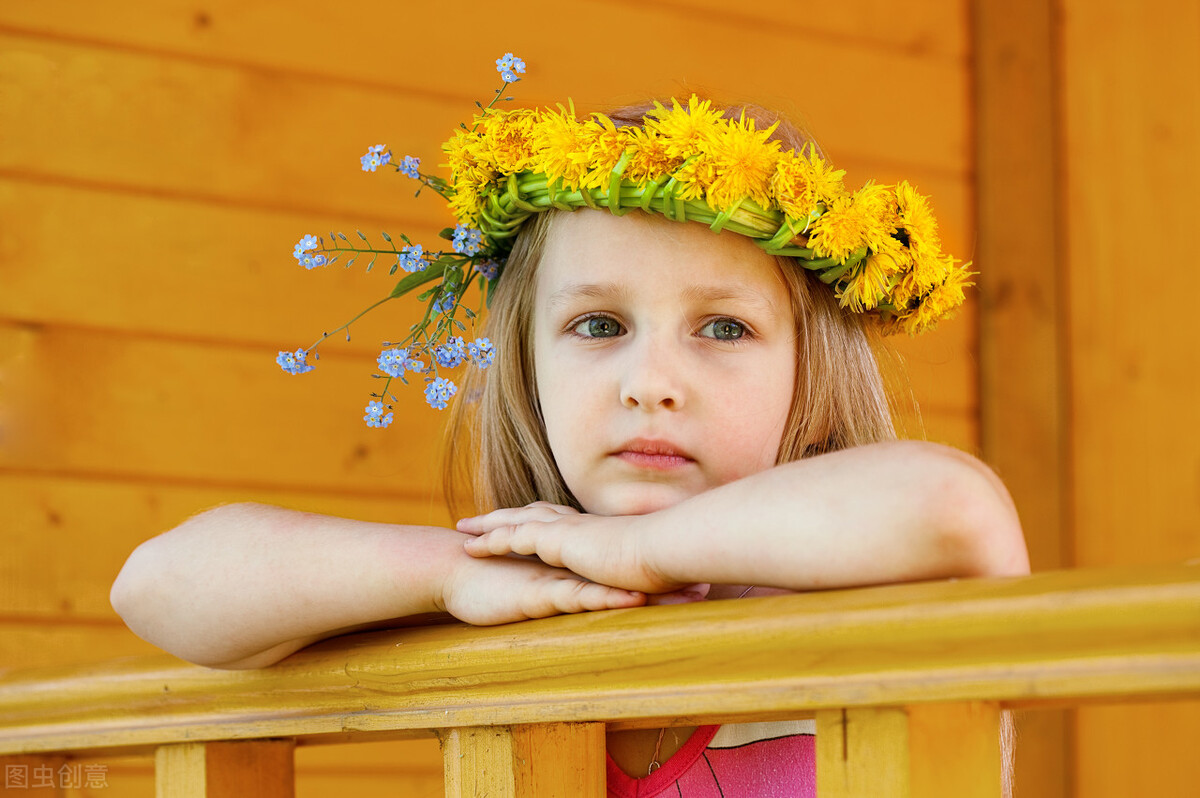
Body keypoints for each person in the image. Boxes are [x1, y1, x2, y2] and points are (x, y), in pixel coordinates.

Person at [111, 76, 1029, 796]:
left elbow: (951, 506)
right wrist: (450, 572)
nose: (652, 385)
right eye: (598, 327)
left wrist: (636, 546)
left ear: (814, 381)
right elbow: (156, 583)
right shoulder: (521, 589)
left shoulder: (883, 586)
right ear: (529, 373)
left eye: (723, 328)